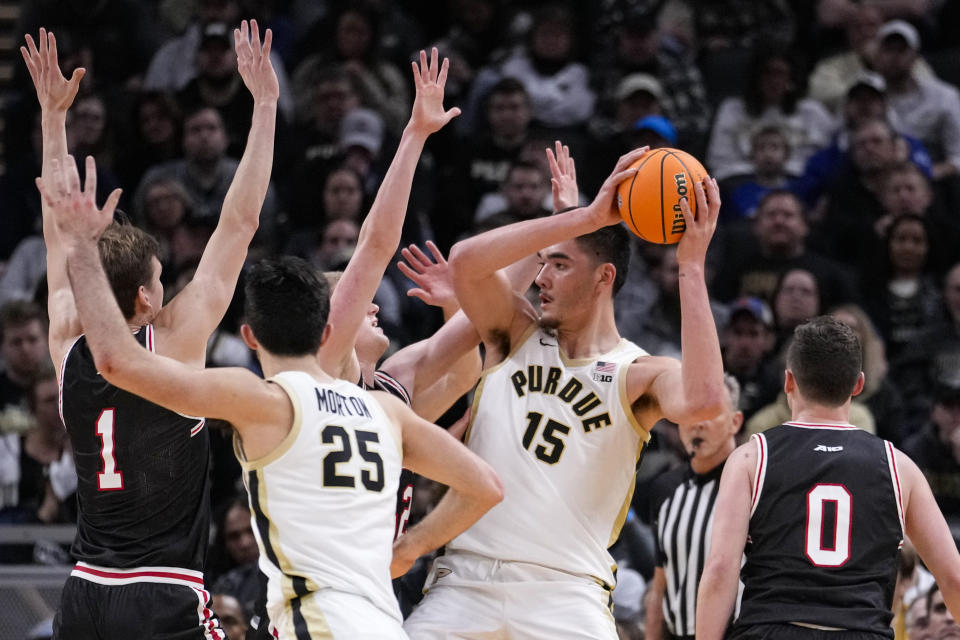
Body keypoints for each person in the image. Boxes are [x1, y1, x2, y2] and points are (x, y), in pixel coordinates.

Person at [38, 155, 503, 637]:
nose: (370, 305)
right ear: (328, 329)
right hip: (312, 604)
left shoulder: (387, 399)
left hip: (373, 605)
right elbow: (373, 249)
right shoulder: (291, 400)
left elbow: (466, 366)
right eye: (352, 301)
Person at [403, 147, 728, 638]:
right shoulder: (513, 332)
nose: (540, 276)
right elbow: (466, 261)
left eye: (559, 264)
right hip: (466, 582)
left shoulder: (636, 372)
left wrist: (691, 268)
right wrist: (577, 218)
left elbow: (705, 401)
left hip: (567, 593)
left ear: (604, 277)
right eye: (543, 262)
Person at [21, 21, 278, 637]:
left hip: (84, 591)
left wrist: (52, 120)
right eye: (163, 279)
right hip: (162, 589)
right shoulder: (176, 342)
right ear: (143, 295)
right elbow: (238, 224)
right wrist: (265, 106)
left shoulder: (66, 341)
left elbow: (63, 234)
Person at [697, 316, 960, 638]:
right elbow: (953, 578)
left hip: (771, 628)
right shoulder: (899, 466)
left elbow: (720, 570)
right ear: (859, 385)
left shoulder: (752, 457)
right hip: (860, 630)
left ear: (789, 381)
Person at [645, 374, 744, 640]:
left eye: (710, 413)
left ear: (735, 422)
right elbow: (659, 588)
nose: (697, 424)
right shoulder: (665, 489)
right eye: (690, 413)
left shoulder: (755, 486)